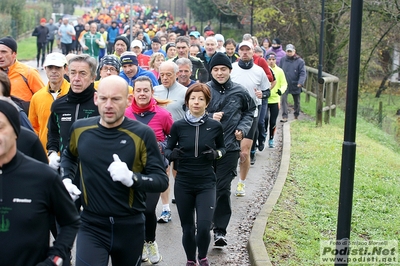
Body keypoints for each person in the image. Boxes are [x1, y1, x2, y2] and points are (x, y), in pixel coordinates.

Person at [60, 75, 169, 266]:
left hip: (129, 226)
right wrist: (67, 179)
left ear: (128, 100)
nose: (108, 105)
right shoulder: (80, 129)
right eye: (103, 98)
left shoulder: (142, 134)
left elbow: (161, 180)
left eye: (115, 99)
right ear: (96, 99)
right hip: (91, 224)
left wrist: (132, 178)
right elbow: (69, 156)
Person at [0, 98, 80, 266]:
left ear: (15, 131)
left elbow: (70, 221)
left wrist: (55, 259)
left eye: (1, 127)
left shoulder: (43, 177)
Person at [165, 84, 226, 266]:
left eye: (201, 99)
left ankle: (203, 258)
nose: (196, 102)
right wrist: (171, 154)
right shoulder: (178, 126)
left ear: (207, 102)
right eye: (192, 98)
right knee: (188, 228)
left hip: (206, 182)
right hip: (183, 182)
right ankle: (191, 261)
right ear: (187, 101)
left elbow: (223, 147)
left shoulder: (215, 126)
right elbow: (167, 148)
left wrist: (217, 154)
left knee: (205, 227)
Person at [205, 52, 255, 247]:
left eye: (223, 69)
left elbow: (251, 110)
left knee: (223, 187)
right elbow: (190, 110)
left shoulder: (240, 91)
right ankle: (204, 221)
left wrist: (242, 128)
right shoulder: (204, 90)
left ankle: (220, 230)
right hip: (205, 147)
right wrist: (209, 116)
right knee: (206, 186)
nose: (219, 73)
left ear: (230, 71)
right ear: (211, 72)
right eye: (216, 70)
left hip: (229, 147)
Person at [124, 76, 173, 264]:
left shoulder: (163, 115)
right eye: (139, 90)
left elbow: (173, 138)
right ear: (133, 93)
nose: (142, 94)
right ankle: (138, 244)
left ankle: (150, 242)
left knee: (148, 209)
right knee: (132, 210)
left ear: (152, 92)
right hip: (130, 171)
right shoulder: (125, 113)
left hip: (154, 170)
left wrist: (163, 150)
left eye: (146, 90)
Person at [231, 41, 271, 195]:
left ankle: (241, 183)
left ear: (253, 51)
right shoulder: (231, 69)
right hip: (232, 114)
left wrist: (262, 94)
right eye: (242, 50)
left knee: (244, 152)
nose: (245, 52)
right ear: (238, 52)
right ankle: (227, 179)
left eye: (248, 50)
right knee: (231, 150)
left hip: (251, 114)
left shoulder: (259, 71)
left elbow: (267, 91)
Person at [153, 61, 188, 223]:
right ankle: (166, 209)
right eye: (162, 74)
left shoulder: (185, 92)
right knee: (164, 171)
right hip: (162, 138)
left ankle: (182, 201)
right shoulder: (155, 91)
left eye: (169, 74)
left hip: (180, 136)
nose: (165, 78)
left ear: (176, 75)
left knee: (177, 172)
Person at [28, 52, 69, 152]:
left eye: (58, 67)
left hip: (70, 155)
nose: (54, 71)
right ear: (45, 69)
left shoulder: (73, 93)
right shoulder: (37, 97)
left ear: (65, 69)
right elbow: (33, 127)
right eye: (50, 67)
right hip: (45, 153)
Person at [0, 36, 44, 113]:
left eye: (4, 52)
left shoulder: (29, 73)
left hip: (24, 121)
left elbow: (43, 98)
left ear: (14, 54)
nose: (0, 56)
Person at [262, 52, 287, 148]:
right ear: (266, 60)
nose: (271, 61)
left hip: (275, 99)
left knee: (273, 121)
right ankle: (262, 137)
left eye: (273, 59)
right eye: (269, 59)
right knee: (264, 120)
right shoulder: (262, 70)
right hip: (264, 99)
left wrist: (281, 90)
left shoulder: (280, 71)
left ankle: (271, 138)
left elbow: (284, 83)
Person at [279, 44, 306, 122]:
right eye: (288, 51)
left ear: (294, 51)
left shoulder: (300, 61)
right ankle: (284, 116)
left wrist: (300, 82)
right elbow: (279, 70)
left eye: (291, 51)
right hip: (285, 83)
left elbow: (303, 73)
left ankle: (296, 115)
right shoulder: (283, 60)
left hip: (295, 83)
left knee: (296, 101)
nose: (289, 53)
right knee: (283, 99)